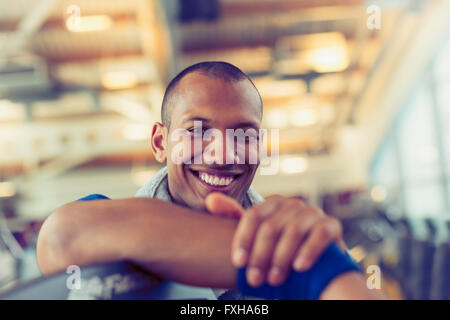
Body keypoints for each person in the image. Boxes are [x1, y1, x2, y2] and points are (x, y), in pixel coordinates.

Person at [37, 61, 383, 299]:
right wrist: (309, 270)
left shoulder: (297, 239)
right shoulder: (101, 231)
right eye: (196, 131)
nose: (222, 155)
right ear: (160, 143)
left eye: (243, 134)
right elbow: (62, 238)